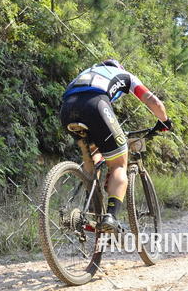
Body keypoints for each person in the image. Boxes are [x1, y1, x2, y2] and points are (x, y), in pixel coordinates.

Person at [59, 59, 172, 233]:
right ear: (119, 68)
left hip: (67, 109)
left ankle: (90, 208)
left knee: (93, 157)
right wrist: (164, 121)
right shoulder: (124, 75)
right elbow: (153, 101)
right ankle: (110, 217)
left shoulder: (85, 73)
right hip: (95, 104)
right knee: (119, 163)